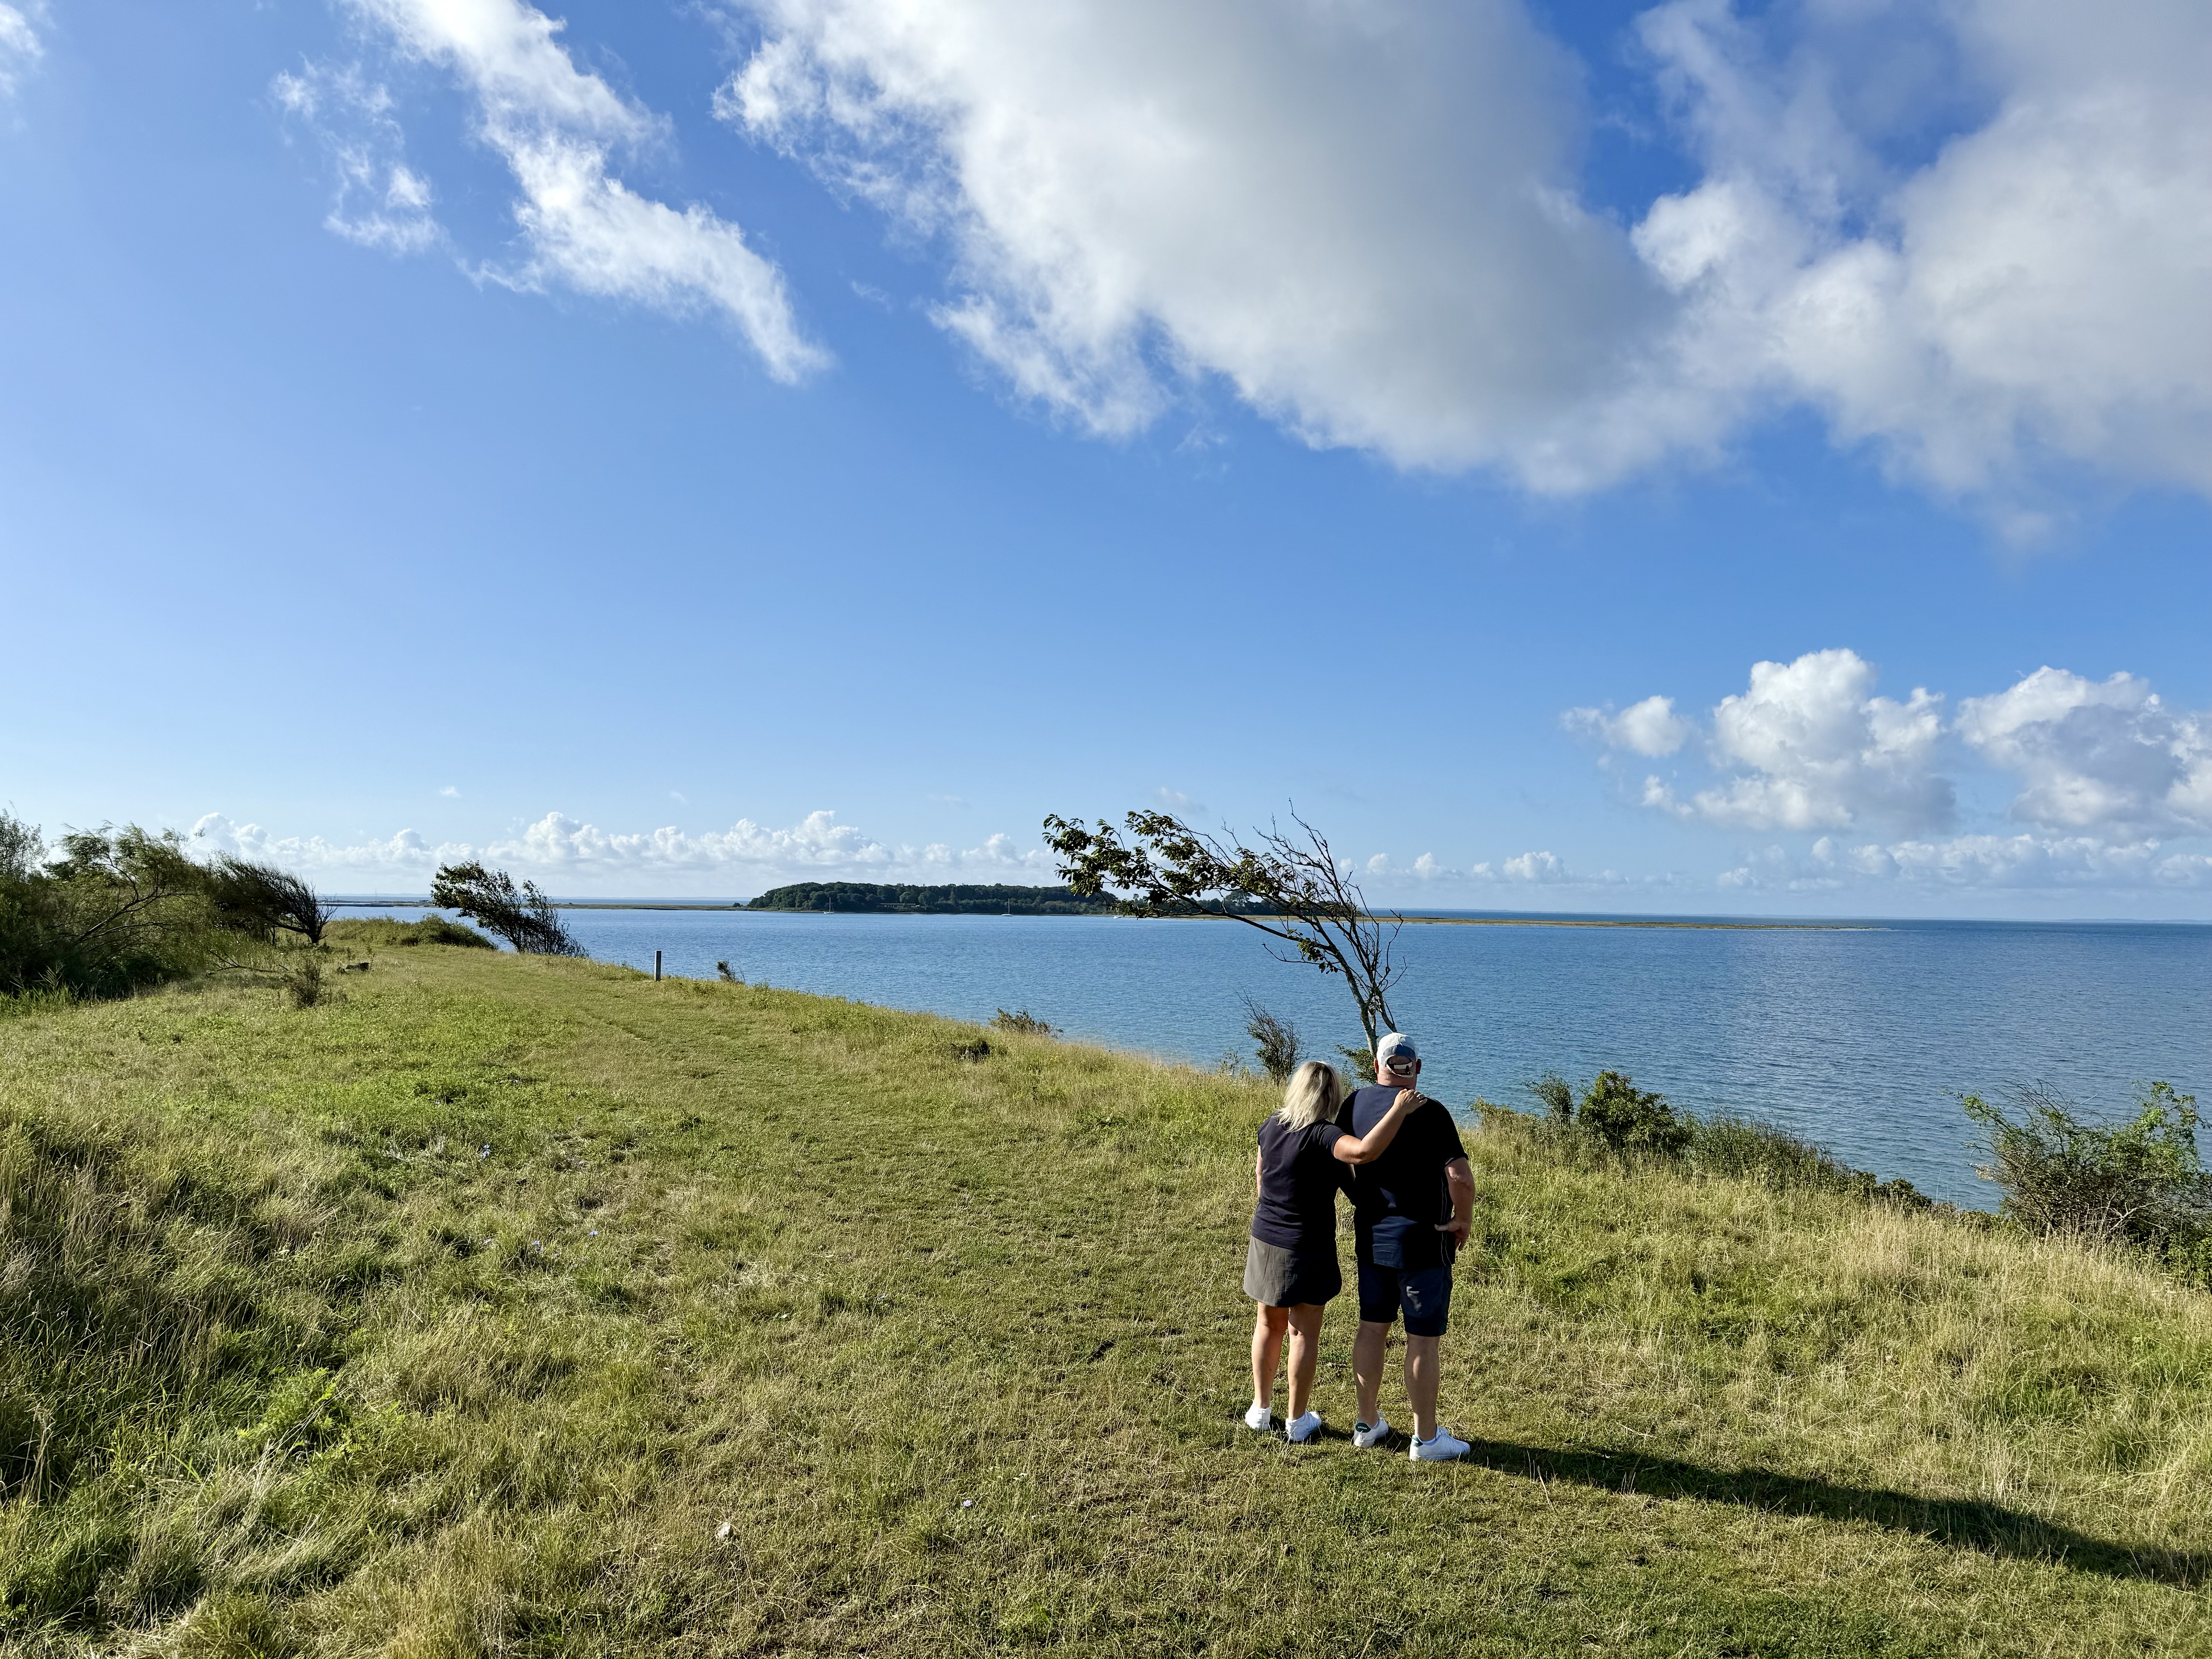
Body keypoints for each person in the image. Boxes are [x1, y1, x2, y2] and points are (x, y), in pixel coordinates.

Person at [1244, 1059, 1419, 1442]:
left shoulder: (1272, 1125)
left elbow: (1261, 1177)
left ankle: (1260, 1410)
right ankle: (1298, 1419)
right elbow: (1362, 1154)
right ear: (1332, 1096)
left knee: (1267, 1325)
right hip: (1306, 1247)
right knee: (1302, 1334)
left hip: (1265, 1239)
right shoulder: (1324, 1136)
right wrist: (1398, 1110)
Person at [1338, 1032, 1476, 1461]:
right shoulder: (1431, 1111)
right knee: (1422, 1341)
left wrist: (1359, 1199)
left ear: (1375, 1064)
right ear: (1417, 1067)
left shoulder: (1354, 1104)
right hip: (1423, 1243)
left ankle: (1366, 1424)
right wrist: (1463, 1219)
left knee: (1371, 1329)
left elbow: (1337, 1158)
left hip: (1372, 1239)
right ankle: (1427, 1439)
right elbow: (1460, 1177)